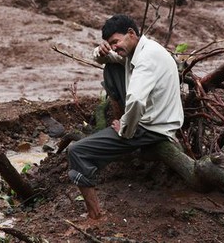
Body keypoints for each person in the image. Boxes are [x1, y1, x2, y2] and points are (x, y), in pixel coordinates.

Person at [67, 14, 184, 220]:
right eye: (110, 44)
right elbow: (105, 58)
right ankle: (119, 129)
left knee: (77, 151)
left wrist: (125, 130)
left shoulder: (146, 60)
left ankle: (95, 217)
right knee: (111, 67)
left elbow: (137, 100)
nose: (113, 47)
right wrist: (100, 51)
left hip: (151, 127)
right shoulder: (142, 49)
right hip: (159, 118)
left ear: (131, 33)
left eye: (115, 42)